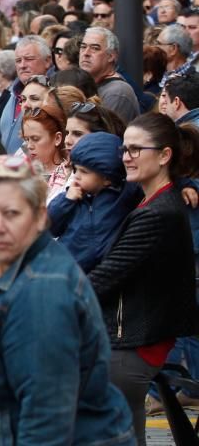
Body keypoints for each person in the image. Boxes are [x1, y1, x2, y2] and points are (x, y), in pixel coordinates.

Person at [0, 154, 135, 445]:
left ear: (40, 217)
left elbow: (47, 422)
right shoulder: (10, 269)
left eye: (12, 213)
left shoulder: (43, 292)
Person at [88, 112, 199, 444]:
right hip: (134, 338)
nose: (126, 157)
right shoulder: (152, 199)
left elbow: (106, 277)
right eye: (124, 149)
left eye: (136, 150)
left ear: (164, 155)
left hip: (132, 345)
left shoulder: (158, 213)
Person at [48, 132, 138, 272]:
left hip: (97, 274)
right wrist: (66, 201)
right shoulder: (73, 197)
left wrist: (185, 186)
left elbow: (156, 179)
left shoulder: (123, 195)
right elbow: (49, 226)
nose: (76, 176)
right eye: (75, 170)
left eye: (84, 172)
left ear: (107, 178)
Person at [0, 36, 52, 153]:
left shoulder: (52, 97)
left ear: (47, 61)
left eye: (29, 59)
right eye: (18, 60)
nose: (22, 65)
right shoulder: (11, 94)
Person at [79, 27, 140, 125]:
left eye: (95, 48)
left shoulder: (117, 92)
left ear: (111, 56)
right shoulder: (87, 84)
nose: (86, 53)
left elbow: (104, 136)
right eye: (83, 47)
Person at [21, 100, 70, 200]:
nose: (29, 146)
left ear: (57, 138)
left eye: (35, 139)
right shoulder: (23, 171)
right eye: (27, 139)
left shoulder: (68, 177)